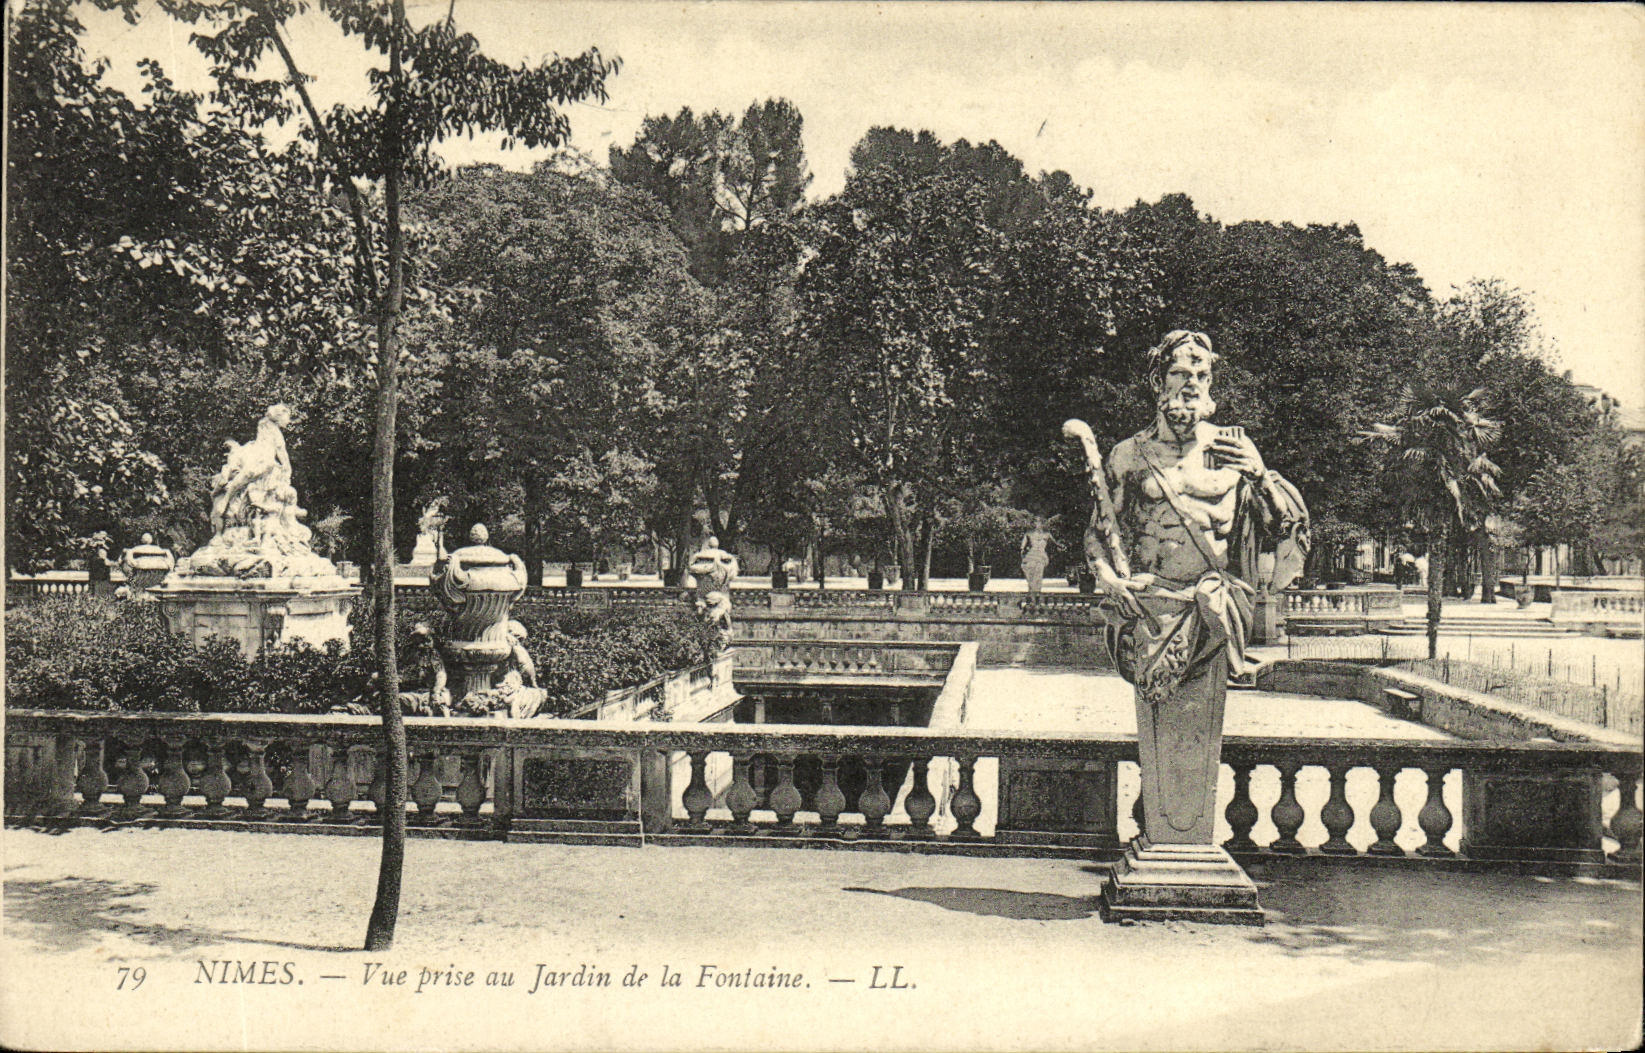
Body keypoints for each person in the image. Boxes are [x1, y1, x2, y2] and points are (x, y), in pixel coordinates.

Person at [1078, 329, 1308, 844]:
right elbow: (1096, 538)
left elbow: (1283, 531)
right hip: (1150, 611)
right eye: (1183, 373)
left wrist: (1261, 473)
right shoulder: (1127, 456)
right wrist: (1107, 576)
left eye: (1202, 375)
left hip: (1212, 610)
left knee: (1197, 733)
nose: (1193, 385)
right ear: (1158, 380)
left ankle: (1186, 843)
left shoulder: (1234, 452)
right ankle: (1167, 841)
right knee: (1161, 733)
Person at [1020, 518, 1056, 593]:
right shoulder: (1029, 533)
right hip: (1032, 556)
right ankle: (1033, 594)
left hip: (1039, 557)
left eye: (1039, 522)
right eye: (1036, 522)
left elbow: (1055, 543)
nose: (1038, 524)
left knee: (1037, 577)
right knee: (1032, 576)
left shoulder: (1047, 534)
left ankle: (1035, 594)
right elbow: (1022, 547)